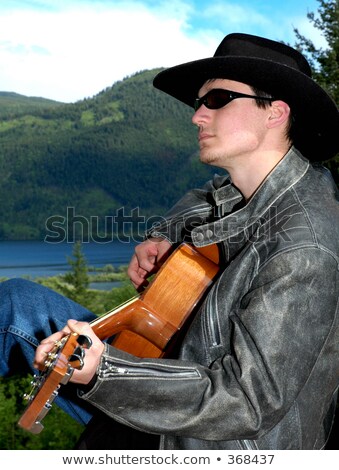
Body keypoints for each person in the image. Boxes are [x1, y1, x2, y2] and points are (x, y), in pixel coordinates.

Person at [1, 32, 339, 450]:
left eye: (216, 101)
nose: (197, 116)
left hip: (211, 440)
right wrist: (162, 235)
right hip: (174, 366)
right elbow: (206, 198)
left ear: (275, 113)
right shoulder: (260, 187)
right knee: (14, 303)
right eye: (198, 104)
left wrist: (104, 370)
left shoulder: (305, 249)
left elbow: (247, 403)